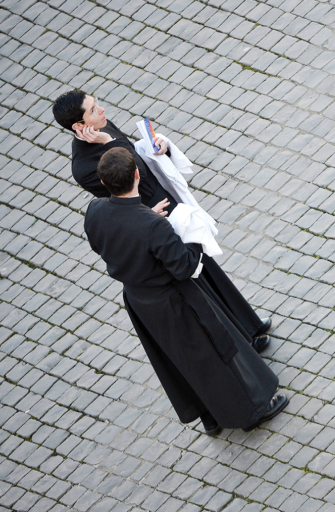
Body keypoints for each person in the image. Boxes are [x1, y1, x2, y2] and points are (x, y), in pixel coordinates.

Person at [84, 148, 288, 434]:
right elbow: (185, 267)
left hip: (139, 302)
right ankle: (251, 412)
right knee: (215, 354)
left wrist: (145, 217)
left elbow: (105, 242)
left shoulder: (95, 211)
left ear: (104, 183)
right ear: (138, 175)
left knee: (178, 363)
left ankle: (211, 418)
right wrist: (192, 234)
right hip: (176, 300)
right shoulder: (153, 226)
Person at [53, 89, 272, 353]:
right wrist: (107, 142)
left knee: (207, 264)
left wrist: (159, 147)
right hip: (154, 217)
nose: (101, 110)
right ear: (79, 126)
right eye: (92, 110)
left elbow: (136, 156)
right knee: (197, 279)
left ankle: (249, 324)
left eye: (97, 103)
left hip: (166, 200)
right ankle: (244, 342)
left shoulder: (102, 126)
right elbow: (132, 180)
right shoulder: (84, 167)